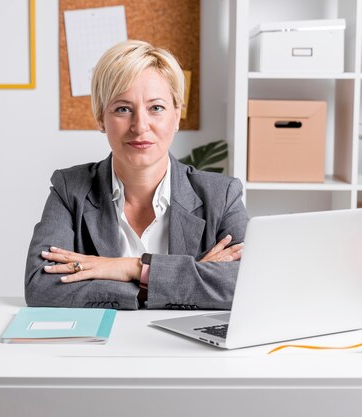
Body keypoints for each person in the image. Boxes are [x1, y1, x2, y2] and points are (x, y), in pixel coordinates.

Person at [25, 40, 248, 310]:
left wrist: (132, 267)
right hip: (100, 348)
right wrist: (168, 283)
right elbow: (41, 287)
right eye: (122, 109)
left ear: (177, 115)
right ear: (100, 118)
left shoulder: (221, 195)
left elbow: (249, 285)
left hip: (187, 351)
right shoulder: (70, 189)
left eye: (156, 108)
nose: (140, 126)